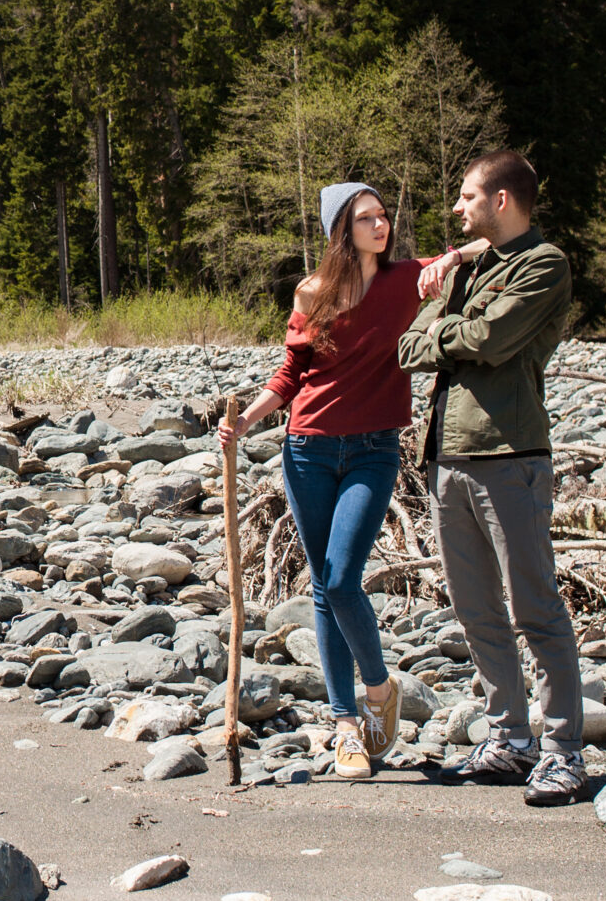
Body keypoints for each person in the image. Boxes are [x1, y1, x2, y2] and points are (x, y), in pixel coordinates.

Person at [219, 181, 475, 781]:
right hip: (307, 449)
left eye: (383, 216)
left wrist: (453, 259)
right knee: (323, 587)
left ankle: (379, 688)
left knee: (340, 578)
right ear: (341, 229)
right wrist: (245, 422)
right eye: (366, 218)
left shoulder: (407, 280)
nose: (380, 225)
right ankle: (344, 727)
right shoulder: (313, 292)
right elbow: (291, 374)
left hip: (374, 450)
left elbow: (485, 245)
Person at [395, 150, 584, 807]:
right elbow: (408, 347)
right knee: (475, 609)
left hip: (509, 455)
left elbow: (494, 340)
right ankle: (510, 738)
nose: (458, 207)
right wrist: (456, 317)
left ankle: (563, 750)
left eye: (468, 196)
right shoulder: (467, 269)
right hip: (446, 457)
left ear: (502, 200)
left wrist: (452, 329)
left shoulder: (544, 264)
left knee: (535, 607)